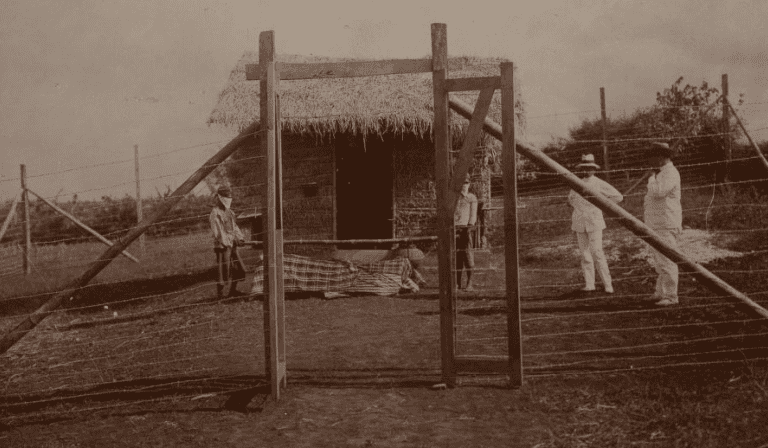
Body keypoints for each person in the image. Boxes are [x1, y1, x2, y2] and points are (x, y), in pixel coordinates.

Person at [567, 154, 623, 294]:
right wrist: (577, 206)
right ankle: (589, 284)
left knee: (597, 252)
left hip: (594, 221)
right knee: (584, 254)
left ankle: (607, 284)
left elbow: (618, 196)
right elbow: (570, 200)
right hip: (579, 221)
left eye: (589, 168)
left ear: (594, 169)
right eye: (584, 168)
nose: (586, 171)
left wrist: (603, 205)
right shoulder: (576, 183)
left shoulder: (598, 183)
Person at [643, 142, 682, 306]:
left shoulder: (670, 173)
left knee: (667, 260)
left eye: (652, 156)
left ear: (661, 156)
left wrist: (651, 178)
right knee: (659, 261)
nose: (650, 160)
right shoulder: (661, 173)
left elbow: (659, 192)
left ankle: (671, 296)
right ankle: (660, 292)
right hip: (656, 223)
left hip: (666, 223)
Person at [209, 186, 247, 299]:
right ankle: (220, 295)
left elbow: (234, 227)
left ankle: (232, 291)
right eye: (225, 197)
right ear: (220, 198)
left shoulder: (230, 212)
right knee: (223, 270)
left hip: (232, 245)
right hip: (222, 246)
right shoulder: (215, 213)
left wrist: (239, 238)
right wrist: (230, 241)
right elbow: (218, 233)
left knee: (238, 268)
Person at [454, 175, 478, 291]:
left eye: (466, 183)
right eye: (462, 182)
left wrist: (469, 226)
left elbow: (473, 215)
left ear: (469, 184)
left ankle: (470, 282)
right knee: (457, 256)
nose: (464, 185)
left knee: (467, 255)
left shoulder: (471, 198)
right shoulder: (455, 197)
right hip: (455, 228)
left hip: (466, 229)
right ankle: (457, 282)